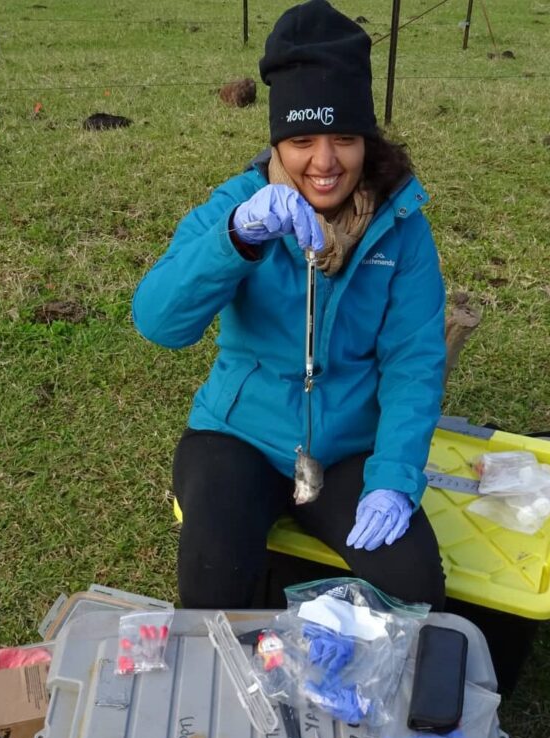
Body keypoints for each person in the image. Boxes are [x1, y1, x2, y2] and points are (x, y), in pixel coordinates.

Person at [132, 0, 447, 611]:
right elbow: (159, 321)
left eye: (344, 139)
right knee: (213, 579)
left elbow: (414, 362)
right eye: (302, 140)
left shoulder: (401, 225)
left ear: (368, 140)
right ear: (278, 138)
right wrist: (236, 239)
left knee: (415, 589)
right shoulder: (242, 201)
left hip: (351, 447)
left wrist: (395, 478)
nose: (324, 163)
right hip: (236, 437)